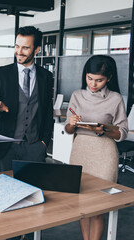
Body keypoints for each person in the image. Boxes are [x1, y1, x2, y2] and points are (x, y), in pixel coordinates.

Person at [64, 55, 128, 240]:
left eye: (99, 80)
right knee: (83, 204)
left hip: (104, 153)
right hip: (80, 150)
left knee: (98, 207)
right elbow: (68, 130)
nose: (93, 84)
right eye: (89, 78)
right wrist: (72, 123)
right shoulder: (77, 95)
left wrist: (104, 130)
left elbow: (122, 132)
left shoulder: (115, 99)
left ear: (109, 78)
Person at [0, 26, 54, 172]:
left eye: (25, 48)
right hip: (6, 145)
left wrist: (44, 142)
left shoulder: (46, 76)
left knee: (32, 189)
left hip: (35, 147)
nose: (19, 52)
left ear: (36, 50)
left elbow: (48, 111)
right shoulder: (1, 74)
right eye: (17, 46)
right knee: (4, 189)